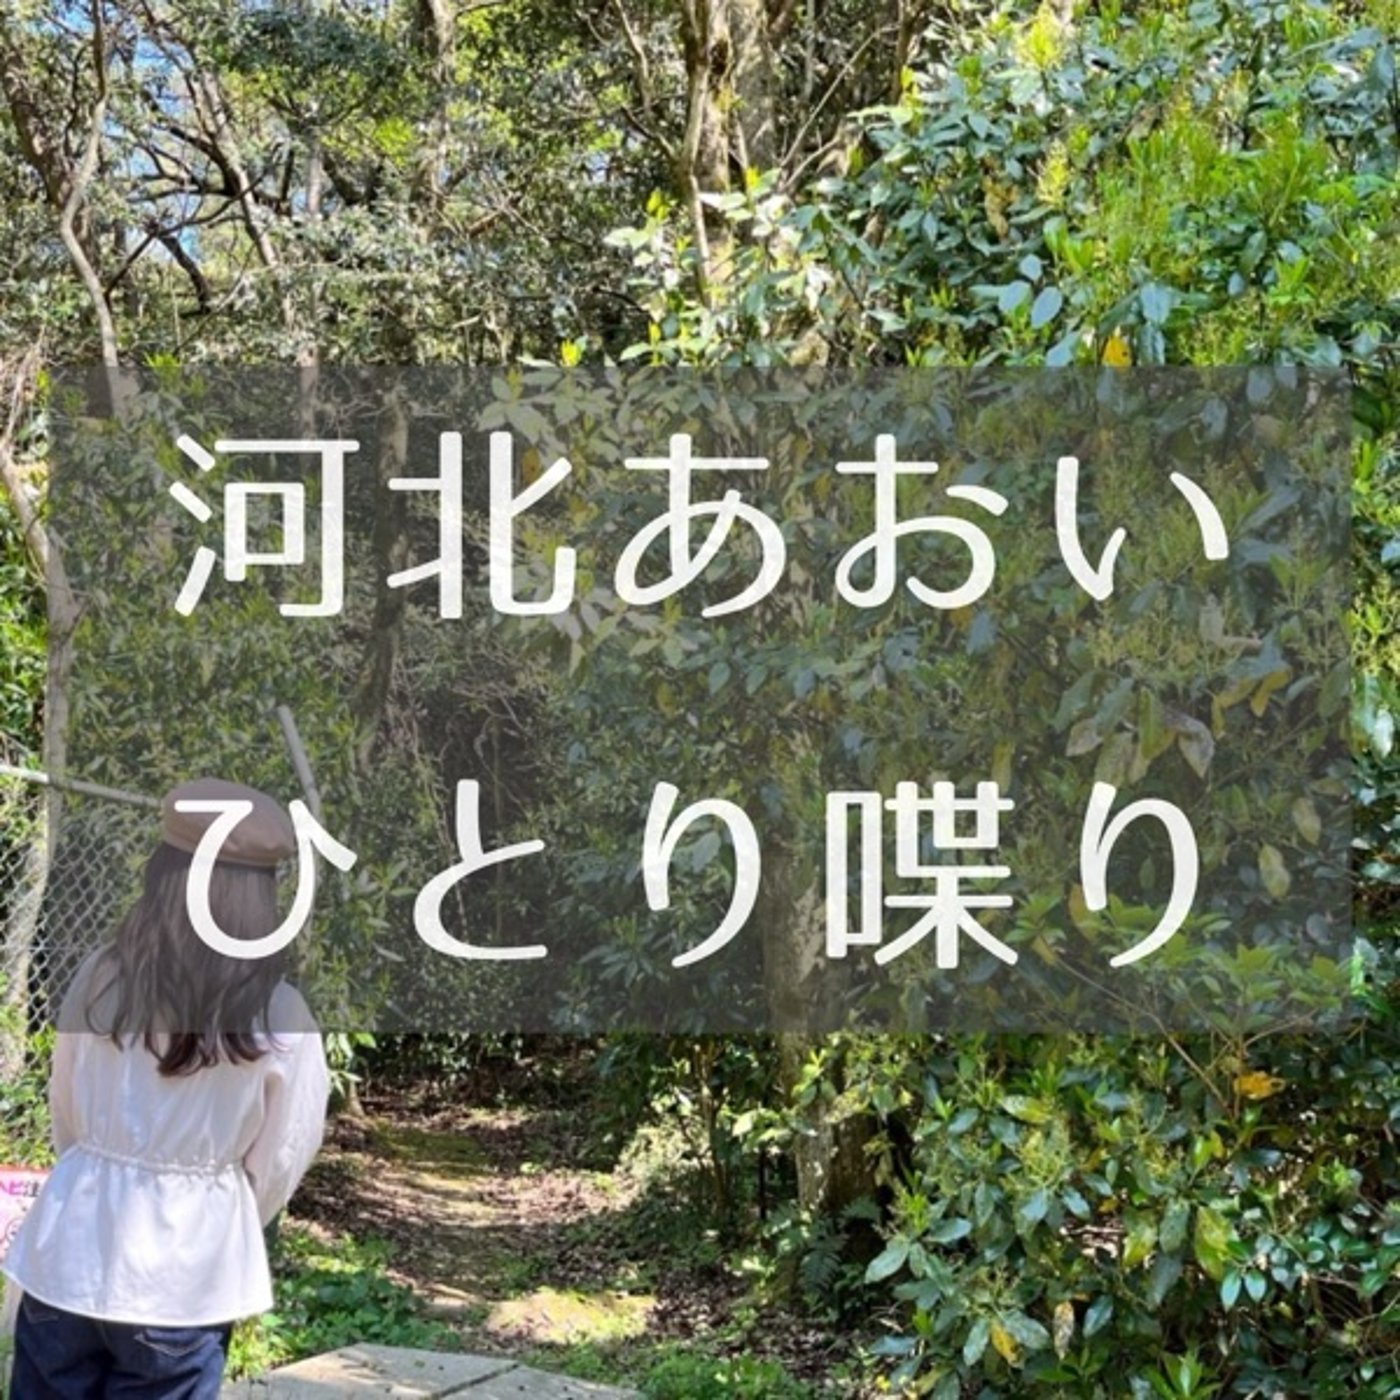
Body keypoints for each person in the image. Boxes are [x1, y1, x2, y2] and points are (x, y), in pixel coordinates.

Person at [2, 778, 331, 1399]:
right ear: (262, 900)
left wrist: (98, 1172)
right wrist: (216, 1202)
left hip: (68, 1252)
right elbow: (281, 1158)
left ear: (161, 875)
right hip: (185, 1277)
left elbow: (67, 1111)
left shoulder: (98, 978)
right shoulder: (280, 1017)